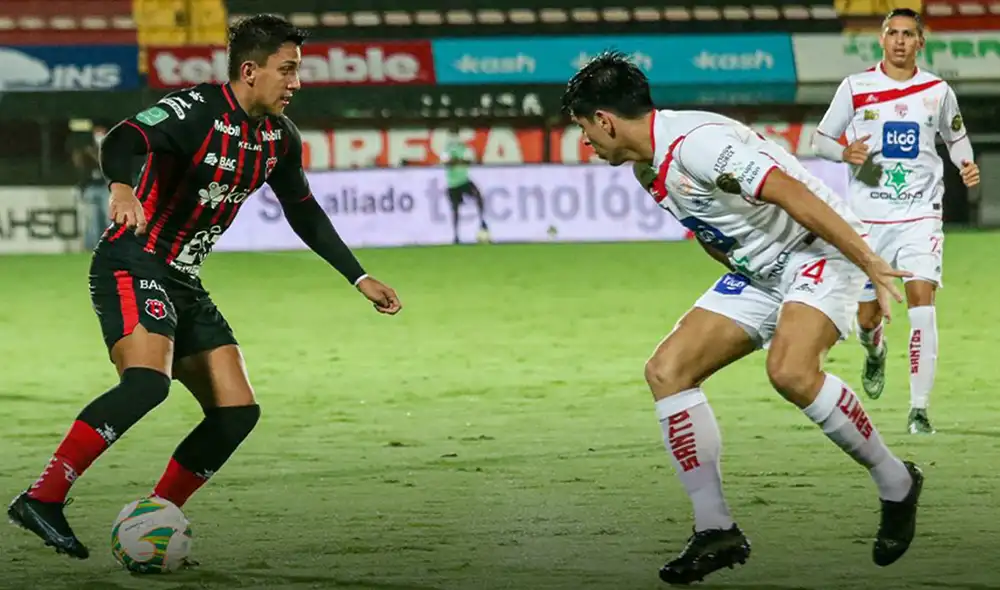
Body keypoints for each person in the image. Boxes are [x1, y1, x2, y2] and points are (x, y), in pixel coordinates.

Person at [8, 14, 401, 560]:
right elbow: (123, 138)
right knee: (148, 383)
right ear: (249, 70)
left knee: (237, 410)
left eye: (297, 71)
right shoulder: (195, 111)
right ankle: (43, 497)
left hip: (184, 279)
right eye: (286, 70)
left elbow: (304, 211)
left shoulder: (278, 138)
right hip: (133, 259)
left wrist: (358, 276)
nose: (296, 83)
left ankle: (154, 515)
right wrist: (122, 188)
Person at [562, 51, 923, 585]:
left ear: (605, 121)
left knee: (791, 372)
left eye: (584, 128)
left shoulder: (698, 146)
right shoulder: (647, 168)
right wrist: (745, 276)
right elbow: (712, 232)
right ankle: (716, 529)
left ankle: (897, 482)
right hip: (760, 271)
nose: (585, 142)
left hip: (818, 249)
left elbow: (790, 192)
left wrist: (868, 263)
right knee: (668, 371)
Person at [811, 8, 979, 434]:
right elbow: (820, 139)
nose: (900, 41)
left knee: (923, 305)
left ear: (920, 42)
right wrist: (843, 152)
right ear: (882, 40)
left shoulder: (937, 91)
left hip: (921, 215)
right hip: (869, 222)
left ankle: (919, 409)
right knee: (868, 319)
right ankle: (874, 352)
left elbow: (954, 136)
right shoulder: (857, 87)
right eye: (893, 33)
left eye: (908, 34)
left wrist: (966, 164)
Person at [440, 129, 490, 244]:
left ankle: (482, 222)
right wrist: (460, 161)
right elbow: (448, 162)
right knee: (455, 209)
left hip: (464, 181)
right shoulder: (447, 149)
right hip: (452, 183)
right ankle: (456, 235)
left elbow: (470, 160)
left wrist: (456, 161)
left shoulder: (464, 148)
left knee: (478, 196)